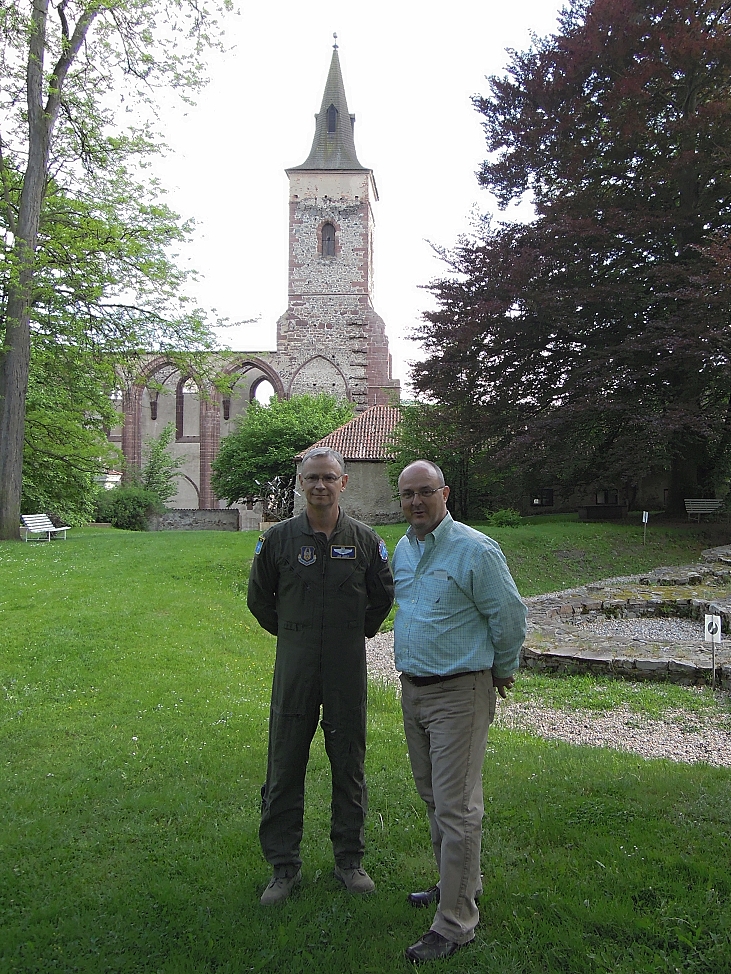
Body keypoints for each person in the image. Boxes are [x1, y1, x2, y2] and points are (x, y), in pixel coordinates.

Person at [392, 460, 527, 963]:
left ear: (444, 493)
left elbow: (509, 614)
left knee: (456, 807)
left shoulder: (475, 548)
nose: (415, 502)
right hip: (415, 690)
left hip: (459, 692)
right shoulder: (404, 548)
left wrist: (503, 669)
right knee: (434, 798)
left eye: (425, 492)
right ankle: (458, 882)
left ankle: (455, 922)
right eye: (407, 494)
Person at [247, 446, 394, 905]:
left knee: (348, 762)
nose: (320, 485)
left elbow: (382, 595)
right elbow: (258, 598)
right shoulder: (278, 540)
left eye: (329, 477)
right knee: (285, 760)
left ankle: (349, 861)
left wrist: (356, 632)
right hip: (295, 665)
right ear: (299, 483)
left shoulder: (366, 541)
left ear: (343, 483)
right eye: (312, 478)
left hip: (346, 666)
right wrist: (295, 634)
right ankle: (283, 867)